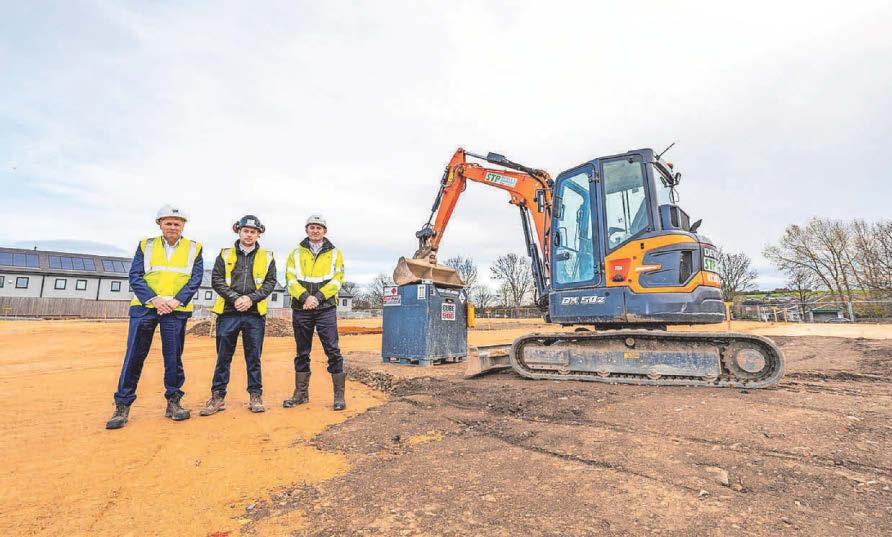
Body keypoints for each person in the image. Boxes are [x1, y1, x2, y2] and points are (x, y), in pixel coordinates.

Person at [106, 205, 204, 429]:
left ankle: (173, 403)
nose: (172, 227)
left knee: (173, 358)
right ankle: (122, 406)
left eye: (177, 223)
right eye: (168, 223)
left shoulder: (194, 248)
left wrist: (175, 301)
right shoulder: (146, 245)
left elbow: (195, 279)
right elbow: (135, 275)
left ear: (183, 226)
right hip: (145, 308)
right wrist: (154, 300)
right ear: (159, 223)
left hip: (175, 310)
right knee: (133, 357)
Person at [199, 215, 277, 416]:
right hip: (228, 312)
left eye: (253, 232)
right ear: (238, 231)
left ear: (258, 233)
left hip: (254, 313)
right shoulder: (225, 255)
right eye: (246, 231)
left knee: (254, 357)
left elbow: (270, 283)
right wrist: (235, 298)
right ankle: (217, 396)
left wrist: (251, 299)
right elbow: (217, 280)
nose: (249, 235)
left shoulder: (267, 257)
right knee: (223, 357)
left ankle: (255, 395)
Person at [283, 214, 347, 411]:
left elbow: (337, 280)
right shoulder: (295, 253)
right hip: (301, 308)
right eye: (312, 227)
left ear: (324, 231)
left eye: (319, 227)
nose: (315, 230)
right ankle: (301, 394)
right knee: (302, 352)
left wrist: (317, 297)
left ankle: (338, 396)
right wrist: (305, 298)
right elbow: (290, 279)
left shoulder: (335, 253)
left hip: (325, 308)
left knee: (333, 351)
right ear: (307, 230)